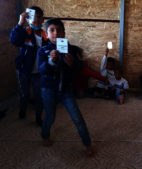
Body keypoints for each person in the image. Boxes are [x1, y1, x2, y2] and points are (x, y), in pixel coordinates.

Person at [37, 18, 94, 156]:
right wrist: (51, 61)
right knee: (50, 117)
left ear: (64, 32)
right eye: (52, 30)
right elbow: (41, 70)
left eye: (59, 30)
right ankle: (45, 136)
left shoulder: (71, 50)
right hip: (48, 90)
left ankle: (87, 144)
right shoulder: (43, 51)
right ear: (46, 33)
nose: (55, 33)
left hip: (66, 90)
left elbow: (80, 67)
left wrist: (72, 63)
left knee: (77, 118)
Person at [9, 6, 47, 126]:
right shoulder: (24, 32)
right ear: (29, 19)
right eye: (33, 17)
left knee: (39, 95)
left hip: (39, 72)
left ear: (42, 19)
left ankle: (37, 117)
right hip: (24, 69)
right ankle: (23, 110)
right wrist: (20, 23)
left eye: (39, 17)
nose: (36, 20)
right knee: (24, 94)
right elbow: (14, 40)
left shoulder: (46, 35)